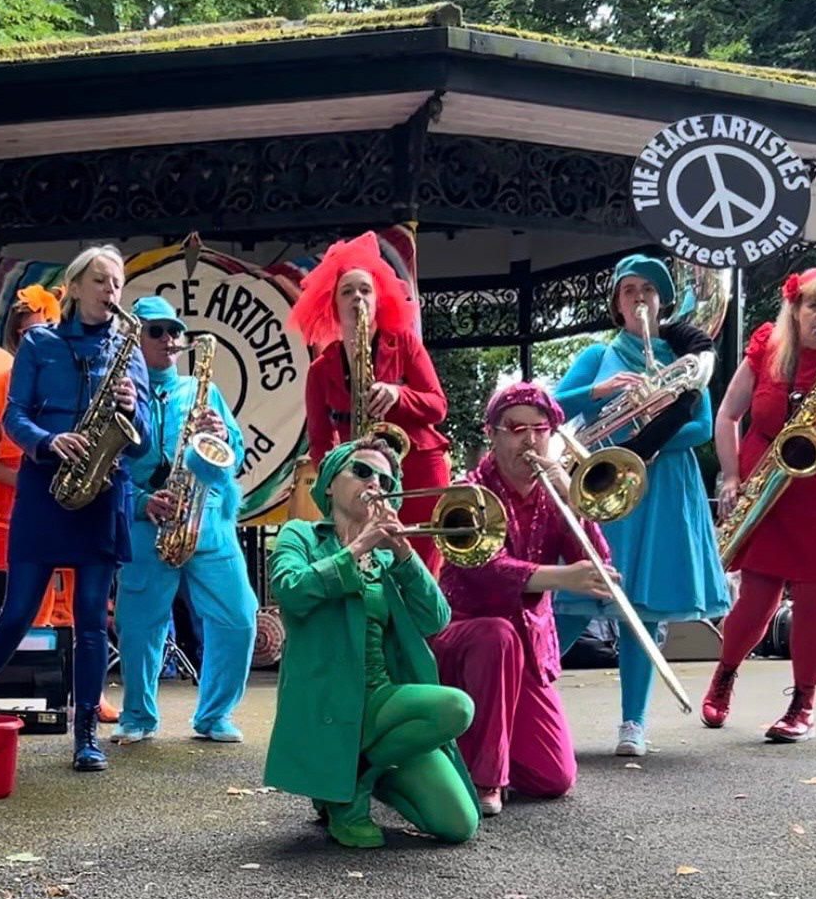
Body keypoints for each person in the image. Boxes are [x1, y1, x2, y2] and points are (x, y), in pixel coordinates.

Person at [0, 245, 150, 771]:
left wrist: (134, 409)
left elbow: (144, 442)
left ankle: (85, 733)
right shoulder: (40, 342)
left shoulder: (127, 350)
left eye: (117, 282)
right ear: (76, 286)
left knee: (91, 618)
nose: (111, 290)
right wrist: (48, 442)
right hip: (45, 483)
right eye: (101, 280)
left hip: (104, 489)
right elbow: (13, 417)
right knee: (18, 611)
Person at [552, 252, 728, 758]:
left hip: (663, 485)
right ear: (617, 304)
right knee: (578, 600)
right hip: (605, 485)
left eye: (648, 290)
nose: (640, 298)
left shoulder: (682, 358)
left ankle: (634, 723)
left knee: (643, 608)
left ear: (663, 302)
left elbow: (701, 426)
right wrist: (600, 390)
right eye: (630, 291)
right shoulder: (597, 356)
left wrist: (650, 437)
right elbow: (551, 406)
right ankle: (523, 693)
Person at [265, 438, 480, 849]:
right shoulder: (301, 535)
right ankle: (345, 789)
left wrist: (403, 553)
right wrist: (358, 546)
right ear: (330, 483)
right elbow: (289, 589)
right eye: (362, 472)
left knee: (459, 824)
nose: (375, 484)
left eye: (385, 480)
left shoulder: (386, 557)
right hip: (329, 701)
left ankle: (360, 776)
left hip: (381, 699)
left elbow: (436, 619)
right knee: (456, 706)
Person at [432, 383, 613, 818]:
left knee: (555, 778)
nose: (530, 441)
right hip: (466, 637)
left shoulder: (554, 492)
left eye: (540, 429)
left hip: (528, 648)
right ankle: (485, 777)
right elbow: (486, 569)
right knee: (497, 636)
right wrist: (562, 578)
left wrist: (572, 499)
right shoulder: (468, 491)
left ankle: (464, 746)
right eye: (516, 429)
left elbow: (599, 563)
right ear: (492, 435)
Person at [703, 266, 816, 741]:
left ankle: (803, 704)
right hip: (765, 479)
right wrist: (730, 476)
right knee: (756, 596)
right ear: (796, 308)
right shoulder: (768, 346)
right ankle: (725, 673)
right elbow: (728, 415)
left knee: (812, 598)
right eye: (814, 305)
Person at [113, 295, 257, 744]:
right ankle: (137, 716)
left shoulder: (202, 390)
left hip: (207, 517)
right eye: (156, 330)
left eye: (175, 330)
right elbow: (106, 466)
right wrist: (140, 501)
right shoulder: (118, 390)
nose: (170, 339)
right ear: (134, 337)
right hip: (146, 520)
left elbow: (234, 456)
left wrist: (221, 435)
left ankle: (215, 715)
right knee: (139, 626)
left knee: (239, 617)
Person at [290, 232, 451, 574]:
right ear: (334, 305)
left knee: (421, 570)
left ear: (379, 300)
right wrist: (336, 478)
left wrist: (398, 394)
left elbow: (438, 406)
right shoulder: (320, 370)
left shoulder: (404, 342)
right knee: (372, 570)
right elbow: (320, 441)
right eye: (347, 292)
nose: (357, 298)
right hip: (365, 477)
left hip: (420, 468)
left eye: (365, 290)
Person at [0, 283, 90, 665]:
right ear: (16, 338)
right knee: (31, 601)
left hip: (73, 499)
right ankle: (36, 678)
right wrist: (27, 483)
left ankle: (82, 682)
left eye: (47, 329)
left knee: (80, 599)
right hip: (17, 502)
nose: (38, 339)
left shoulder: (77, 381)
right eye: (28, 333)